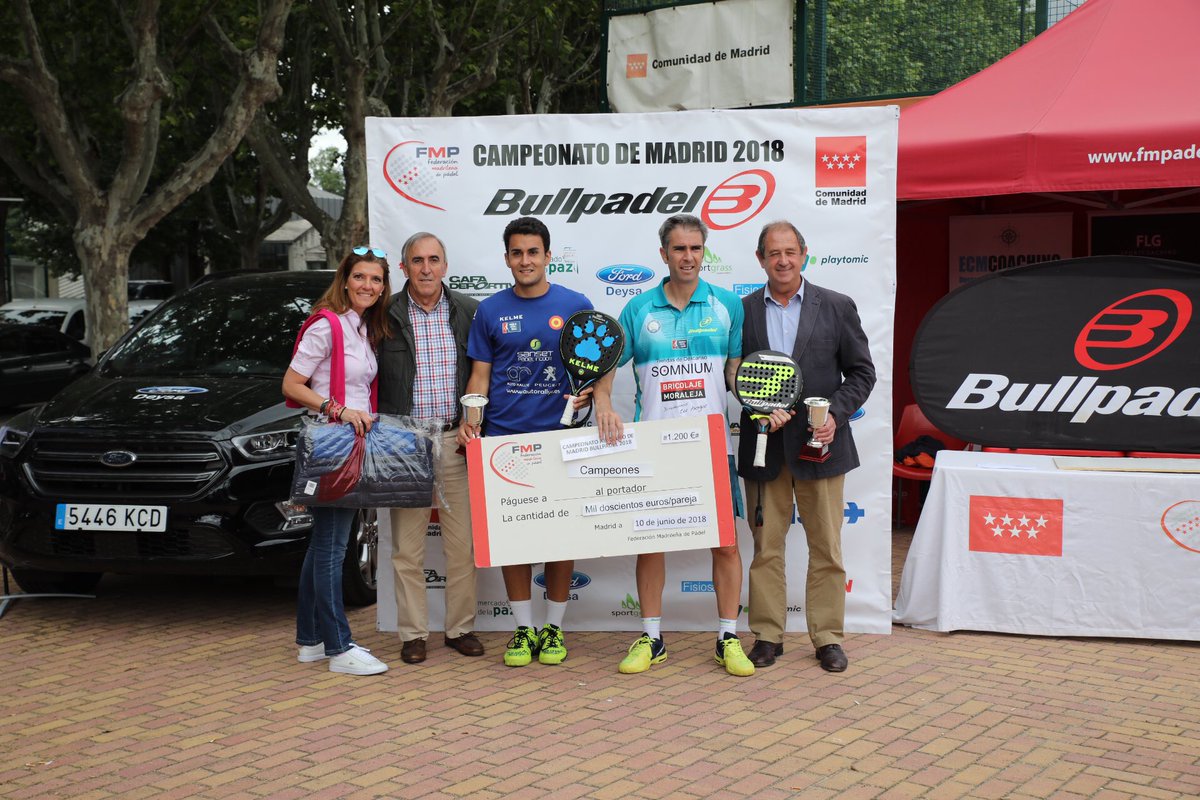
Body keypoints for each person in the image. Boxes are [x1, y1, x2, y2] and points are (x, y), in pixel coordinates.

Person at [593, 214, 755, 678]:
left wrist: (761, 403)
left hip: (712, 447)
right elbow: (607, 366)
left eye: (696, 249)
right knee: (652, 543)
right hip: (655, 447)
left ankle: (727, 637)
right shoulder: (638, 309)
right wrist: (604, 402)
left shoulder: (727, 306)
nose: (688, 257)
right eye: (679, 249)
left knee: (725, 544)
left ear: (705, 252)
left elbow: (734, 374)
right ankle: (651, 637)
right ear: (663, 254)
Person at [737, 220, 876, 673]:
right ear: (760, 259)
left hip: (822, 445)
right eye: (773, 253)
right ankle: (767, 635)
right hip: (765, 446)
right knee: (766, 550)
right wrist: (756, 410)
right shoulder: (741, 312)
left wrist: (833, 415)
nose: (783, 261)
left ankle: (828, 637)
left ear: (804, 254)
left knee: (827, 548)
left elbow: (861, 373)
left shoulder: (836, 306)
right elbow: (735, 376)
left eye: (790, 252)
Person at [458, 216, 592, 668]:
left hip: (561, 440)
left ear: (548, 256)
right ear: (507, 259)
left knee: (558, 539)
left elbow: (593, 366)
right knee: (514, 542)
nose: (525, 260)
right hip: (503, 441)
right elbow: (480, 375)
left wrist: (591, 390)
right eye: (517, 253)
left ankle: (553, 626)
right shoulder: (490, 310)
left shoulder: (576, 304)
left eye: (533, 252)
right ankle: (522, 629)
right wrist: (472, 422)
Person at [282, 246, 393, 676]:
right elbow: (292, 384)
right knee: (332, 548)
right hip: (333, 442)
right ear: (345, 279)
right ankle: (338, 646)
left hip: (351, 446)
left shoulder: (362, 328)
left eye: (376, 280)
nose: (368, 285)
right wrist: (338, 410)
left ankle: (310, 641)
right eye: (361, 277)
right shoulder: (326, 326)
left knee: (324, 543)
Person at [378, 232, 483, 665]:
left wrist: (472, 424)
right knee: (407, 547)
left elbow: (482, 373)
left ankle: (460, 629)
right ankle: (413, 633)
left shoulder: (468, 311)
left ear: (445, 265)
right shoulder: (384, 315)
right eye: (417, 261)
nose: (426, 268)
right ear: (403, 268)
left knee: (463, 545)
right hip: (404, 441)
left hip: (456, 439)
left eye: (433, 260)